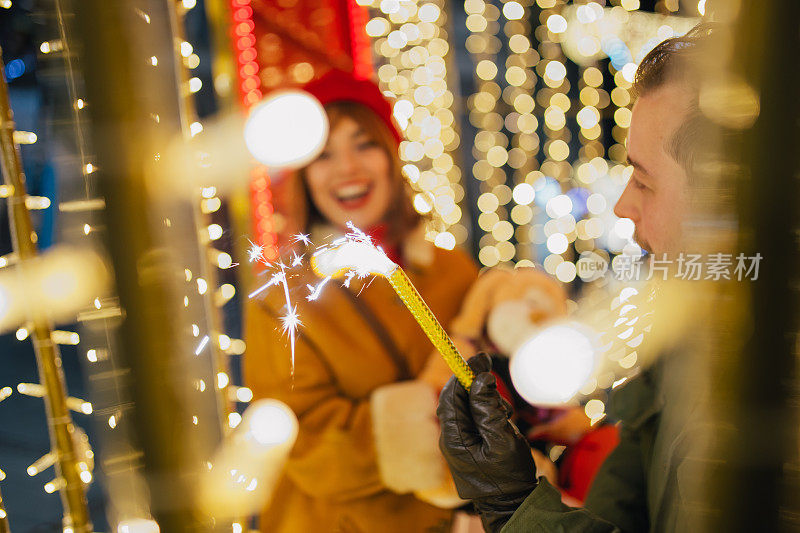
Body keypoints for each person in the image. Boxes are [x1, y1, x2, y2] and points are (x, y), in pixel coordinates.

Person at [437, 25, 718, 532]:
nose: (623, 205)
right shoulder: (692, 321)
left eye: (645, 181)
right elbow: (635, 479)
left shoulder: (768, 391)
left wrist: (515, 505)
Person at [244, 69, 478, 533]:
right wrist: (435, 426)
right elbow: (308, 444)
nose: (347, 167)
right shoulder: (281, 300)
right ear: (303, 175)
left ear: (390, 155)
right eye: (324, 153)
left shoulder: (454, 270)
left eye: (363, 144)